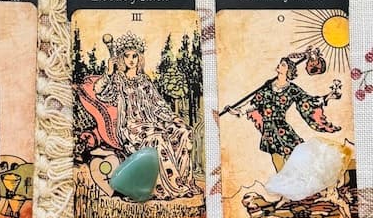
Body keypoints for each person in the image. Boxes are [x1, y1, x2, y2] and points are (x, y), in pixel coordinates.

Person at [93, 33, 199, 199]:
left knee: (183, 131)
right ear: (121, 58)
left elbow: (157, 104)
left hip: (152, 122)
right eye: (127, 56)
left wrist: (173, 119)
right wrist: (109, 72)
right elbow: (100, 93)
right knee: (158, 137)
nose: (131, 60)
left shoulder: (144, 80)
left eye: (134, 56)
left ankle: (184, 182)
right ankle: (167, 188)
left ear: (139, 58)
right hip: (131, 126)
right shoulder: (118, 79)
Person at [225, 55, 341, 171]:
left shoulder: (292, 89)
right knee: (276, 157)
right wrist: (239, 111)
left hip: (282, 127)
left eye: (283, 64)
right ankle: (282, 180)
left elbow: (308, 101)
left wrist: (328, 96)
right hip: (268, 128)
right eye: (280, 63)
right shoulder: (268, 86)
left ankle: (306, 176)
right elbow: (255, 102)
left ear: (288, 70)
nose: (279, 65)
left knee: (294, 155)